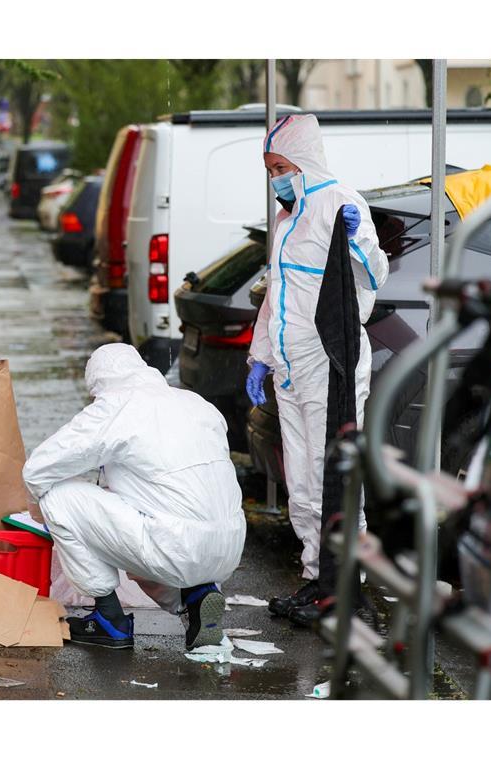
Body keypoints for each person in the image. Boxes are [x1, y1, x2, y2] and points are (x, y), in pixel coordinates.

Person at [246, 113, 389, 626]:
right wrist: (260, 356)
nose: (275, 178)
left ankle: (347, 587)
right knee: (302, 482)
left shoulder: (342, 204)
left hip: (331, 364)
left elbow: (376, 274)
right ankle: (316, 578)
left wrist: (355, 241)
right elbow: (276, 296)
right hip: (291, 367)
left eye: (280, 166)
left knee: (335, 479)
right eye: (269, 169)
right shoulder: (288, 219)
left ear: (303, 162)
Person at [22, 343, 246, 650]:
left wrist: (43, 514)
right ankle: (196, 598)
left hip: (174, 545)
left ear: (99, 384)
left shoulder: (116, 407)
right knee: (158, 514)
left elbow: (38, 468)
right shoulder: (196, 403)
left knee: (58, 497)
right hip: (229, 546)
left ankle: (108, 619)